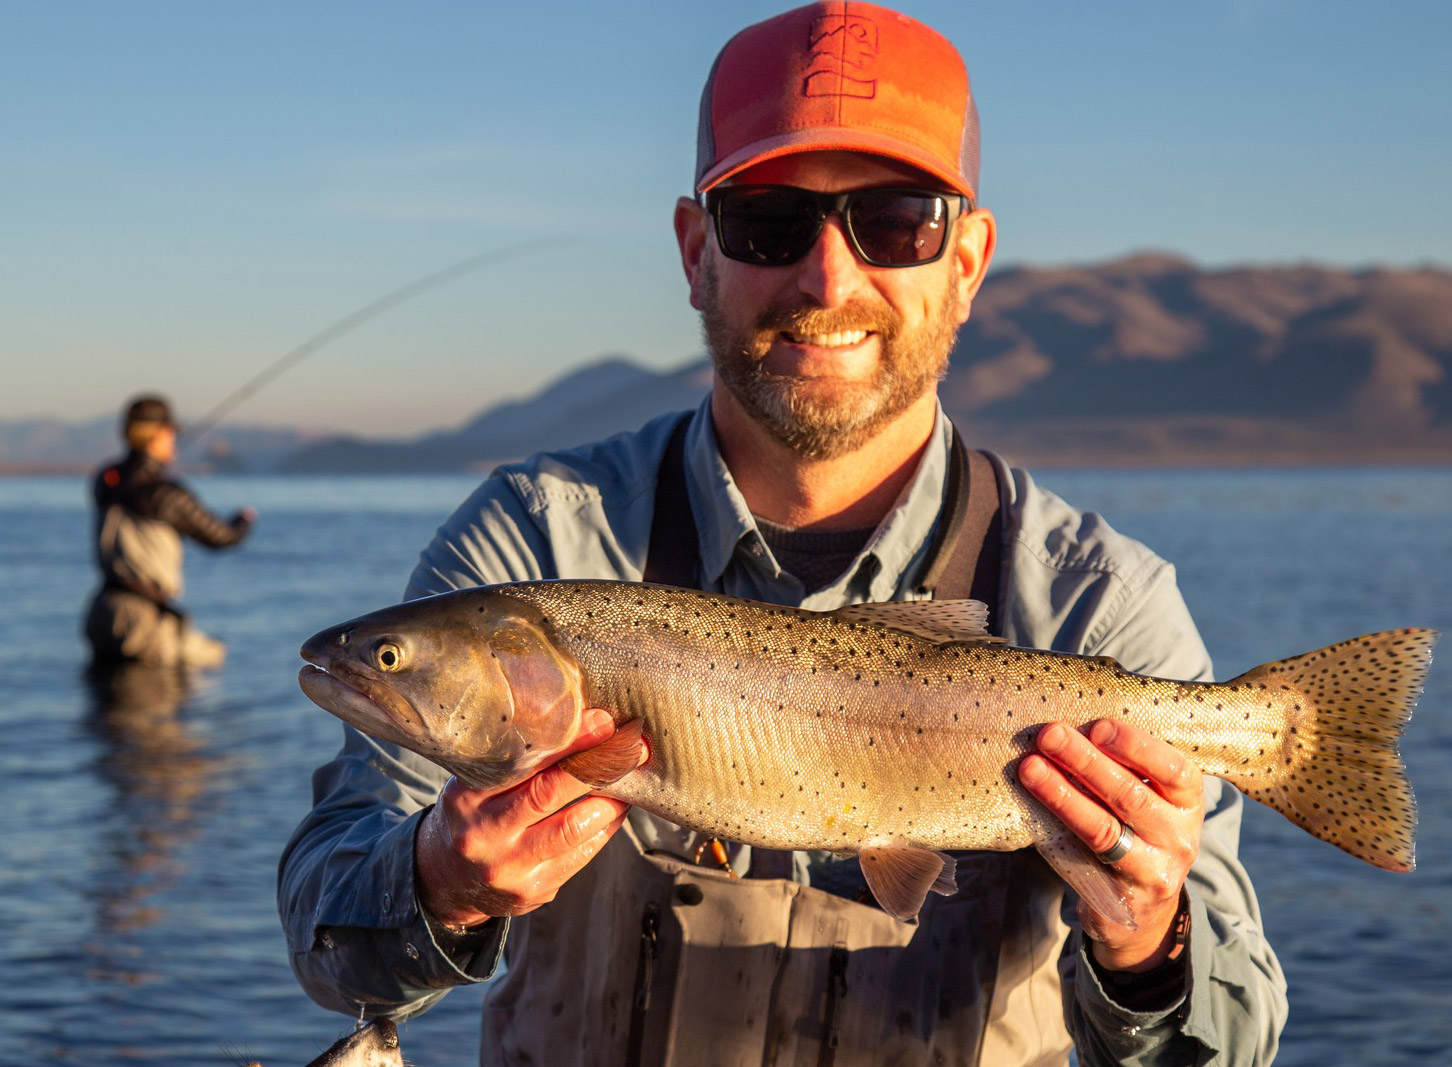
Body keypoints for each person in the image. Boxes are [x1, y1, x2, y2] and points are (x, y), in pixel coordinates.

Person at [279, 5, 1287, 1064]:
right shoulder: (530, 542)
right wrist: (438, 881)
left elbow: (1236, 1040)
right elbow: (326, 938)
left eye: (895, 220)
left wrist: (1146, 945)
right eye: (768, 219)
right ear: (692, 247)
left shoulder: (1101, 606)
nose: (829, 279)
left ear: (968, 259)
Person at [84, 394, 254, 669]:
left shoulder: (107, 480)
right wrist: (243, 521)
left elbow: (129, 483)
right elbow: (221, 537)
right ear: (158, 435)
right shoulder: (165, 494)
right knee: (150, 707)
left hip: (102, 611)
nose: (174, 439)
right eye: (171, 433)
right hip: (141, 619)